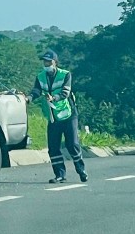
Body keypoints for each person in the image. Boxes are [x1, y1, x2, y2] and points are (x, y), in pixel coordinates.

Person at [25, 49, 88, 184]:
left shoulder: (65, 75)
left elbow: (65, 92)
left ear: (55, 62)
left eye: (49, 61)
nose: (46, 63)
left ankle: (81, 170)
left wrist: (54, 97)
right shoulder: (41, 76)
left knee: (72, 145)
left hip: (68, 114)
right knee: (53, 147)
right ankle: (60, 175)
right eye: (45, 61)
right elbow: (36, 90)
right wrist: (29, 98)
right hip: (53, 116)